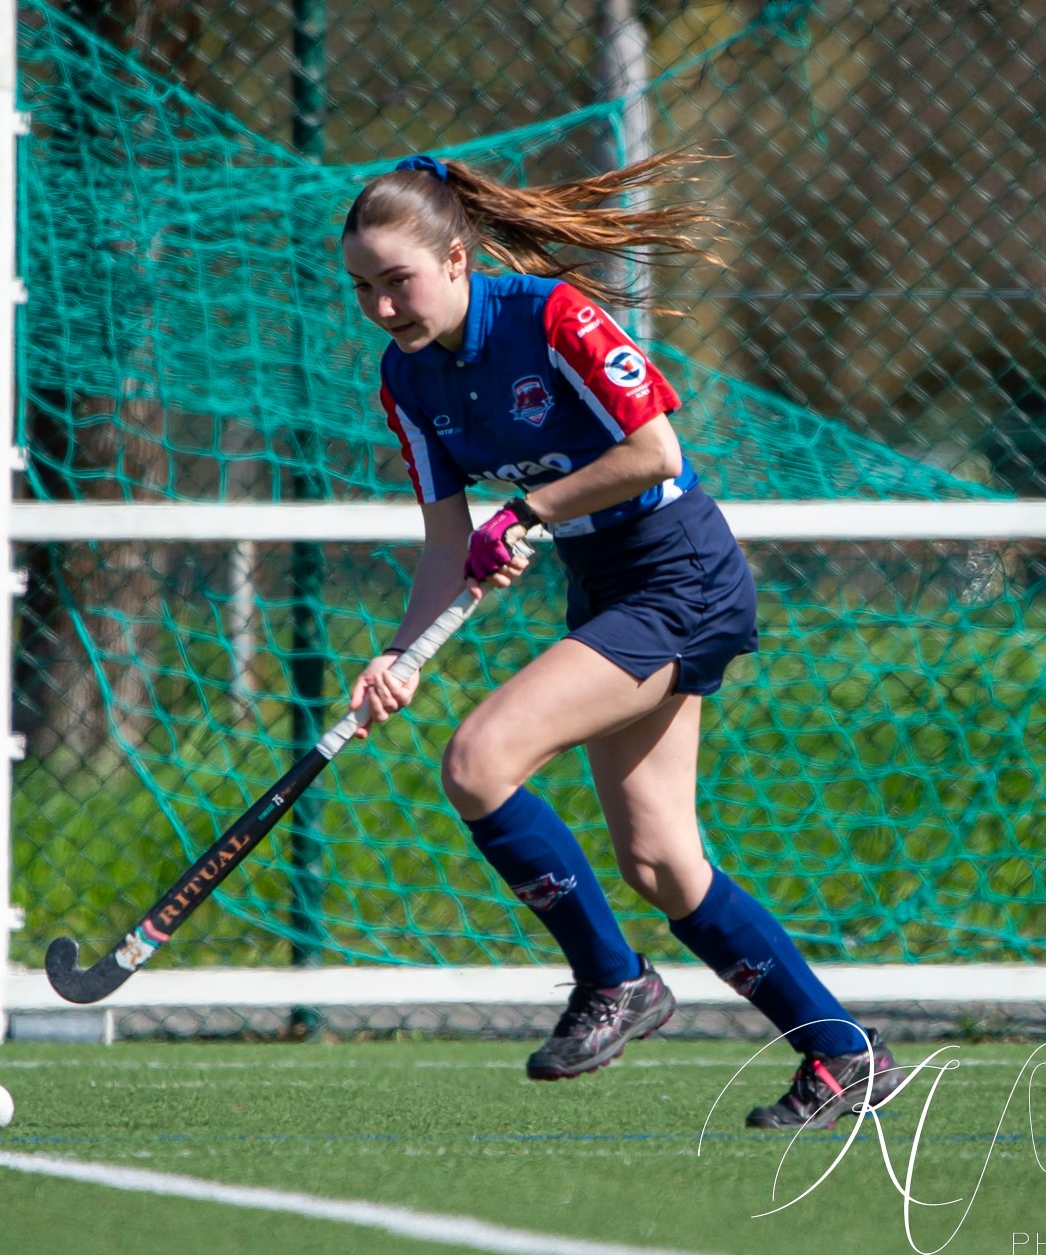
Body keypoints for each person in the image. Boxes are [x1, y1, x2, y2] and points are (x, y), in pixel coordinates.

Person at [341, 153, 903, 1130]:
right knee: (660, 861)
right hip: (606, 589)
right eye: (363, 289)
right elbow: (445, 546)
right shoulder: (406, 376)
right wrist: (402, 655)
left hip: (679, 572)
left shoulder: (550, 317)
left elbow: (655, 450)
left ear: (457, 258)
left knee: (478, 760)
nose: (384, 307)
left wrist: (527, 511)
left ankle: (613, 980)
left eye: (399, 281)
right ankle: (839, 1052)